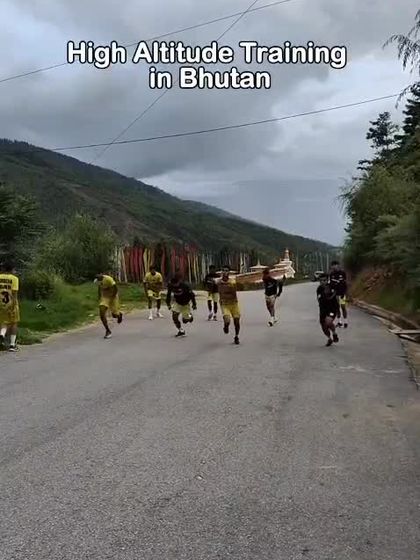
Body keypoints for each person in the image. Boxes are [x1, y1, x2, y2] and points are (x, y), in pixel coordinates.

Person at [215, 265, 241, 345]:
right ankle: (226, 326)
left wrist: (230, 287)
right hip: (224, 304)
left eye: (226, 270)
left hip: (234, 304)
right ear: (222, 272)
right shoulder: (218, 282)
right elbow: (211, 286)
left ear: (229, 272)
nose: (225, 272)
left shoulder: (232, 282)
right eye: (224, 270)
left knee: (236, 321)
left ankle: (236, 336)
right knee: (227, 320)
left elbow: (234, 292)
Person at [166, 272, 197, 337]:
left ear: (179, 282)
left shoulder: (185, 286)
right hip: (177, 303)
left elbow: (192, 295)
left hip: (185, 304)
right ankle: (181, 330)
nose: (175, 286)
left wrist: (194, 304)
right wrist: (168, 304)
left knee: (185, 321)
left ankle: (190, 316)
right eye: (174, 285)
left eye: (176, 285)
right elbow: (168, 295)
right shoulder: (170, 285)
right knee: (174, 317)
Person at [95, 273, 123, 339]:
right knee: (101, 312)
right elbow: (99, 287)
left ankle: (119, 315)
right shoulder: (97, 281)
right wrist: (99, 296)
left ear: (102, 277)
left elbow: (115, 288)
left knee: (114, 315)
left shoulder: (108, 279)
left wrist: (112, 297)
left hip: (113, 296)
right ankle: (108, 331)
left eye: (100, 278)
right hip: (105, 297)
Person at [0, 260, 20, 352]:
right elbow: (14, 293)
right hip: (10, 303)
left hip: (1, 303)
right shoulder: (14, 279)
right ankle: (12, 344)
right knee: (13, 322)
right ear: (12, 269)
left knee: (3, 321)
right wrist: (14, 305)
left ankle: (2, 334)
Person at [317, 273, 339, 347]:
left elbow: (335, 298)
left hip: (332, 308)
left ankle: (334, 333)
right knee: (324, 327)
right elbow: (319, 299)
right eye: (321, 281)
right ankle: (329, 338)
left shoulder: (332, 287)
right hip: (323, 309)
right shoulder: (319, 289)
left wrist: (338, 310)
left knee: (328, 322)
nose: (323, 282)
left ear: (327, 280)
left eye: (324, 280)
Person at [329, 260, 348, 328]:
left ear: (338, 265)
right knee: (337, 308)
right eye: (332, 265)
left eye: (335, 265)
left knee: (343, 307)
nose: (334, 267)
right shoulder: (331, 274)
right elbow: (331, 284)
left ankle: (345, 322)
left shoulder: (342, 273)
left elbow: (345, 284)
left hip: (342, 292)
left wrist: (344, 292)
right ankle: (339, 322)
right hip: (335, 293)